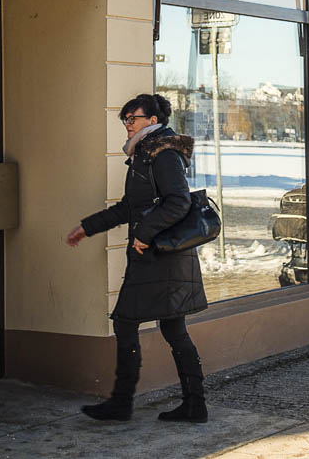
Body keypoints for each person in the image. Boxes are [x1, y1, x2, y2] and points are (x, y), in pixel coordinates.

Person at [66, 93, 209, 422]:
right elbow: (129, 208)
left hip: (159, 257)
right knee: (173, 330)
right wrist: (87, 228)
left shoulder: (162, 154)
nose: (127, 125)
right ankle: (193, 403)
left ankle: (122, 402)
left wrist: (144, 234)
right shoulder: (146, 154)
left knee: (126, 322)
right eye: (125, 119)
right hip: (161, 256)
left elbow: (178, 202)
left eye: (132, 118)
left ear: (153, 121)